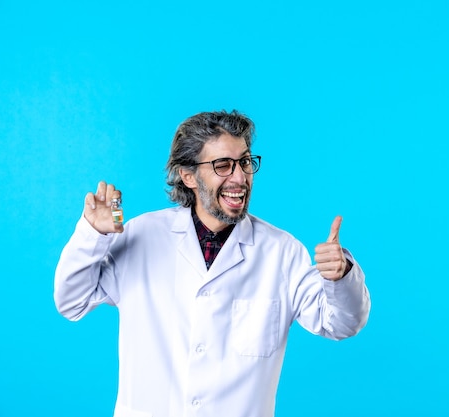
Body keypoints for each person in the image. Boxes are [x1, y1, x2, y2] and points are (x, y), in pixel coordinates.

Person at [54, 110, 370, 417]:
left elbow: (341, 324)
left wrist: (340, 277)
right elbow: (71, 301)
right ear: (188, 175)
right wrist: (93, 234)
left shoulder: (282, 252)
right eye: (223, 165)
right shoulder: (142, 235)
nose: (240, 178)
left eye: (245, 162)